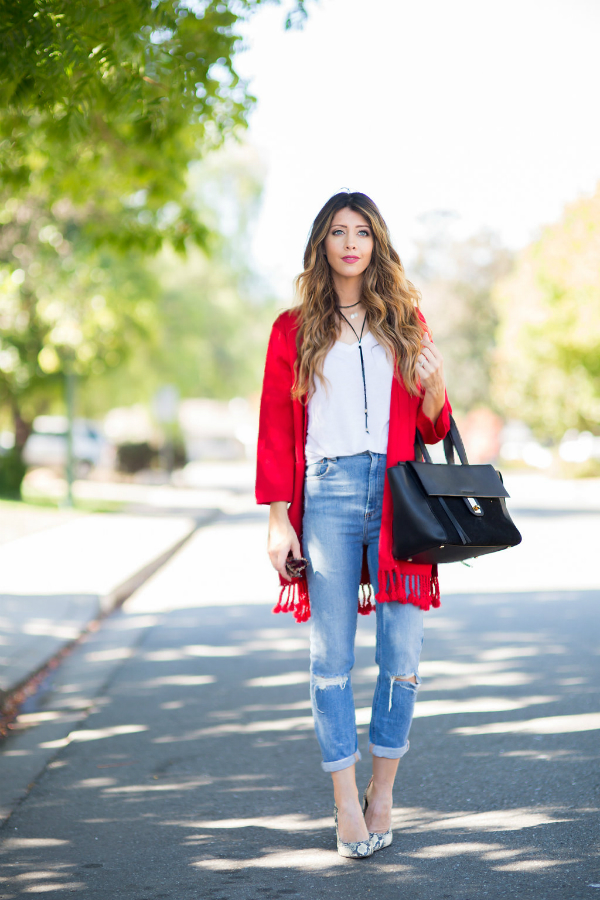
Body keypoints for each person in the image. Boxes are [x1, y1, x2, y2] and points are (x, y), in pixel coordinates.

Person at [255, 191, 451, 858]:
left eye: (361, 231)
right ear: (322, 244)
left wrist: (433, 385)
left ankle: (383, 792)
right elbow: (279, 431)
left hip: (398, 497)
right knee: (330, 659)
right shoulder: (292, 329)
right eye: (337, 231)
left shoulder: (405, 320)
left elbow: (433, 425)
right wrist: (279, 516)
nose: (349, 242)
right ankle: (344, 802)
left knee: (401, 656)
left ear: (376, 243)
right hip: (328, 493)